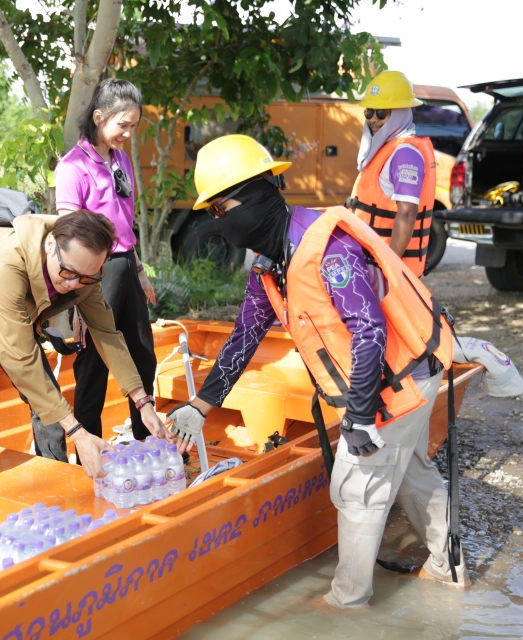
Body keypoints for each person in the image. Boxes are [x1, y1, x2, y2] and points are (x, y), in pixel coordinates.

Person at [164, 134, 466, 608]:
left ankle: (346, 606)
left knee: (356, 487)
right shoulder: (271, 263)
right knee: (409, 472)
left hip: (398, 378)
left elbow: (369, 331)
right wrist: (201, 406)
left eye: (220, 210)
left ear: (258, 196)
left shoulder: (326, 248)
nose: (217, 223)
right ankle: (449, 573)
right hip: (390, 374)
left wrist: (362, 415)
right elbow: (244, 337)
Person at [0, 210, 169, 542]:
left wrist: (143, 402)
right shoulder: (7, 260)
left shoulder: (84, 275)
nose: (73, 284)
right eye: (68, 273)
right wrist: (80, 434)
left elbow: (107, 334)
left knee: (49, 405)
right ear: (51, 244)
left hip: (3, 313)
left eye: (87, 278)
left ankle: (56, 499)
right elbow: (19, 356)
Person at [55, 79, 159, 442]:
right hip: (94, 275)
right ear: (99, 117)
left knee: (143, 356)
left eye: (133, 126)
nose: (128, 133)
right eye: (122, 125)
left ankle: (146, 441)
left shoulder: (121, 160)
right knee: (94, 366)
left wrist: (139, 269)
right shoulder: (73, 167)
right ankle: (90, 449)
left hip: (126, 265)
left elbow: (124, 221)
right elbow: (67, 236)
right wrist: (77, 289)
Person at [346, 70, 437, 277]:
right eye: (369, 112)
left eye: (382, 113)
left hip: (384, 266)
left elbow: (407, 213)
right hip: (369, 261)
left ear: (400, 113)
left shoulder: (405, 153)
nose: (373, 120)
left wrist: (390, 269)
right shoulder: (386, 149)